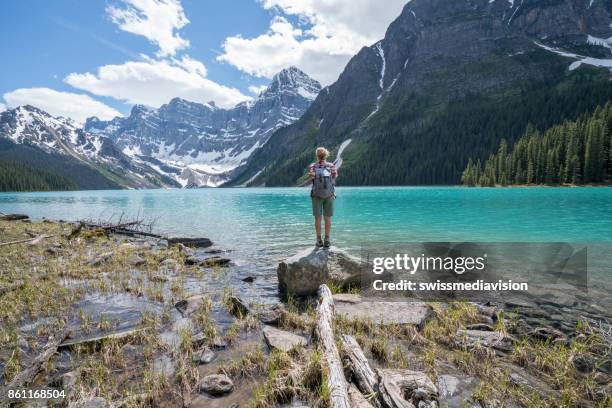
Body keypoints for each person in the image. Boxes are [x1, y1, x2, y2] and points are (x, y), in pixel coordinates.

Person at [308, 147, 337, 248]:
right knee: (327, 218)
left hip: (316, 194)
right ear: (326, 155)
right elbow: (333, 179)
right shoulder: (331, 166)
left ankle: (319, 240)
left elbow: (311, 177)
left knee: (318, 218)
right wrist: (333, 192)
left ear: (317, 155)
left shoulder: (313, 166)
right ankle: (327, 240)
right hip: (329, 194)